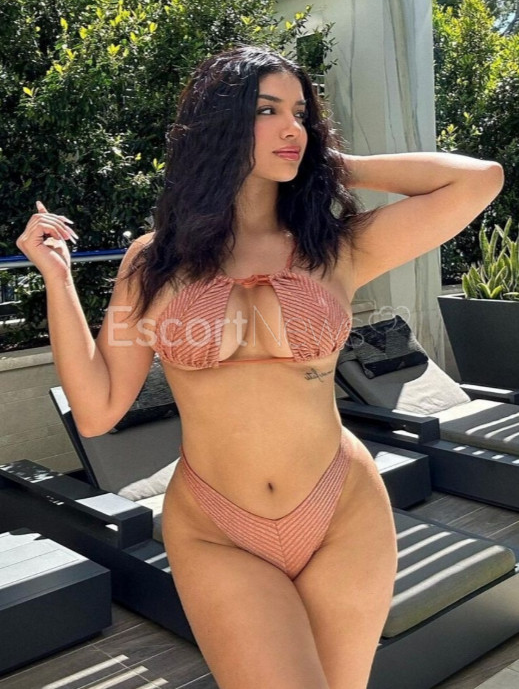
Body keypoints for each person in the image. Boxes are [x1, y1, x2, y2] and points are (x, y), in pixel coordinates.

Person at [16, 44, 504, 689]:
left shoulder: (336, 247)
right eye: (267, 110)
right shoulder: (155, 261)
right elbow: (98, 410)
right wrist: (58, 280)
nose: (291, 127)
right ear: (219, 125)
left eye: (300, 114)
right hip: (217, 527)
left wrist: (330, 165)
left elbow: (479, 179)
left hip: (343, 509)